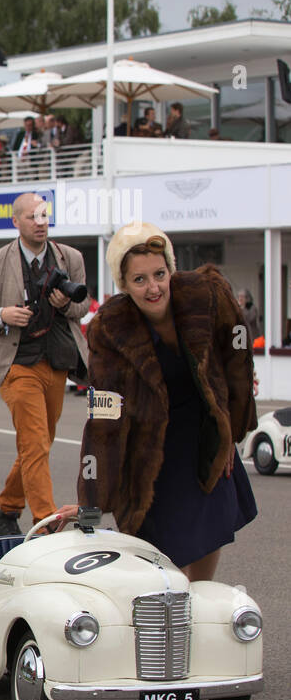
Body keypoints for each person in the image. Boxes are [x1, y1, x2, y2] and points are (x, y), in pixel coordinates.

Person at [79, 222, 257, 581]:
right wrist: (91, 503)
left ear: (171, 269)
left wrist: (230, 437)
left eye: (160, 274)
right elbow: (103, 416)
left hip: (205, 431)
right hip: (150, 448)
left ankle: (201, 604)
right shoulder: (109, 328)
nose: (154, 287)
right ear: (123, 285)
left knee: (207, 535)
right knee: (162, 556)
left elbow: (238, 360)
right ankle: (173, 615)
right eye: (139, 280)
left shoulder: (209, 294)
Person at [0, 192, 90, 536]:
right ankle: (45, 524)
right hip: (16, 363)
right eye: (33, 217)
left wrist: (66, 303)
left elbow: (83, 308)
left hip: (57, 361)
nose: (40, 223)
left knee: (38, 442)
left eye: (44, 216)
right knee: (35, 442)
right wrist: (1, 315)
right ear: (16, 222)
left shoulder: (71, 257)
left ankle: (8, 508)